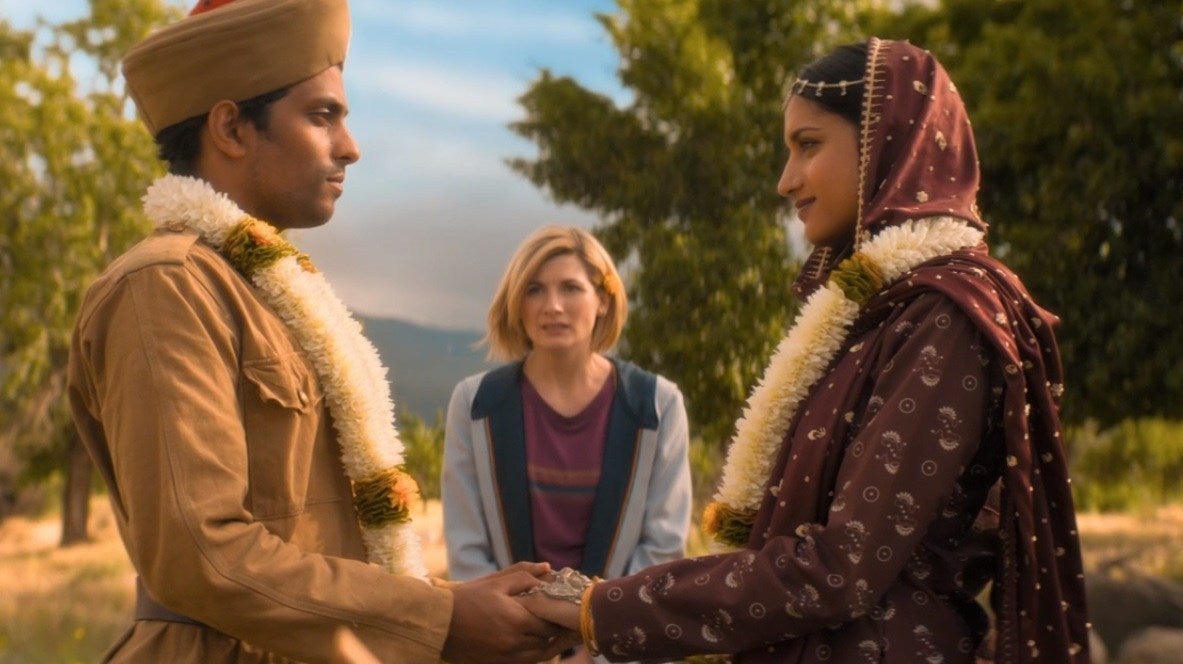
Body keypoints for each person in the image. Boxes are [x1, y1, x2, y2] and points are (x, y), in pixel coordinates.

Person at [520, 37, 1091, 663]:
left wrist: (598, 608)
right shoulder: (875, 314)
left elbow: (839, 567)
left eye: (809, 145)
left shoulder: (945, 316)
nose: (785, 180)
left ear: (885, 143)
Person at [66, 1, 574, 662]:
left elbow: (313, 545)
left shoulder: (269, 292)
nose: (349, 147)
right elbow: (201, 555)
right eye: (322, 115)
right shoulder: (165, 286)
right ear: (231, 128)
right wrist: (443, 617)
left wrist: (464, 602)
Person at [442, 225, 693, 659]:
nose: (552, 306)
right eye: (534, 290)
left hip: (623, 646)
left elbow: (663, 547)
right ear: (516, 305)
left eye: (571, 288)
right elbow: (467, 549)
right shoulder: (475, 403)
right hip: (507, 647)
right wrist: (520, 643)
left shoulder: (656, 404)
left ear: (603, 301)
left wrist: (597, 644)